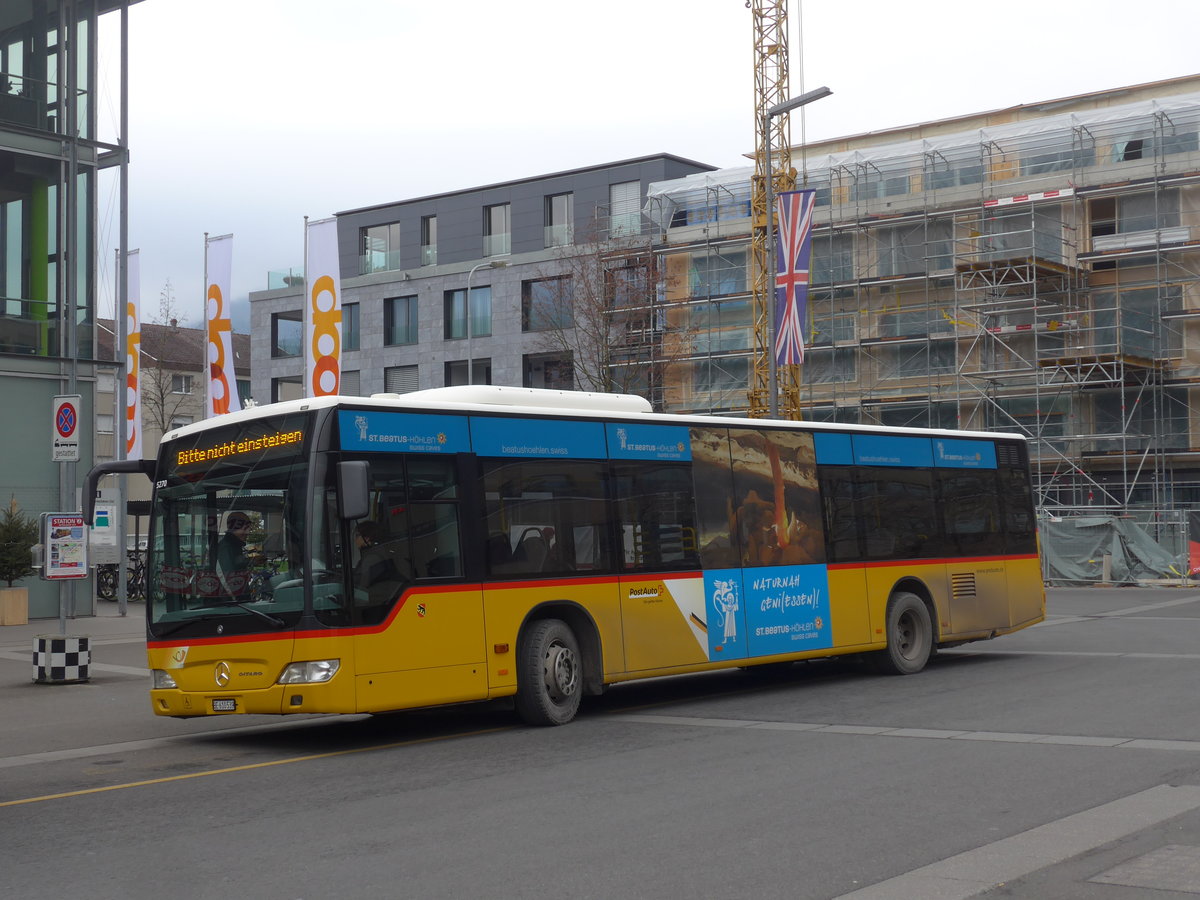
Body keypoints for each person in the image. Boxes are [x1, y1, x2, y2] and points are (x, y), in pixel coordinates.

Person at [216, 511, 252, 593]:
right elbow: (227, 580)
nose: (248, 532)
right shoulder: (226, 548)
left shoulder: (234, 546)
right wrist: (236, 601)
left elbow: (236, 564)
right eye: (246, 527)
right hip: (232, 602)